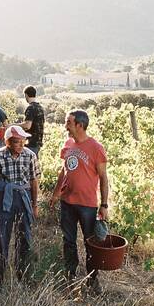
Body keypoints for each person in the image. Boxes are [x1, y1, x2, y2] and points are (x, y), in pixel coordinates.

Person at [49, 109, 109, 293]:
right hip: (67, 202)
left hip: (87, 204)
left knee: (90, 242)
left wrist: (104, 204)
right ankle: (70, 275)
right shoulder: (68, 144)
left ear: (79, 125)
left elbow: (104, 178)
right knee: (68, 240)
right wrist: (56, 193)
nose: (65, 126)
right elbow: (64, 170)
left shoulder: (95, 148)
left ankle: (92, 278)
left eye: (68, 122)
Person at [0, 125, 40, 280]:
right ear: (8, 142)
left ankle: (23, 273)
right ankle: (0, 273)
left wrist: (34, 205)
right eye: (17, 142)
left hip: (23, 196)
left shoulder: (30, 155)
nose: (21, 145)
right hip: (3, 196)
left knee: (25, 235)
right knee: (1, 234)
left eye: (23, 141)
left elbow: (34, 181)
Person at [15, 85, 44, 155]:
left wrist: (14, 125)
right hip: (38, 141)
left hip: (31, 142)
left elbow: (27, 126)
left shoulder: (30, 108)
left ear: (26, 95)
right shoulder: (40, 107)